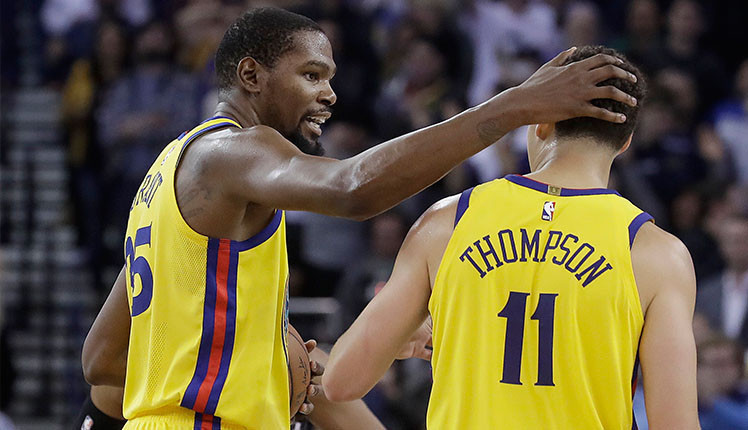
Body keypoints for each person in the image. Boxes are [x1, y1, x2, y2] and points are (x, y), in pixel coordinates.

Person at [80, 7, 639, 429]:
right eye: (311, 75)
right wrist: (514, 105)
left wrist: (259, 362)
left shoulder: (169, 173)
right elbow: (352, 188)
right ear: (251, 75)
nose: (329, 95)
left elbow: (102, 359)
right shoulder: (234, 151)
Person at [324, 46, 700, 429]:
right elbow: (676, 424)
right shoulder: (657, 253)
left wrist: (404, 331)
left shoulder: (446, 221)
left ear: (540, 123)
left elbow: (339, 382)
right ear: (625, 141)